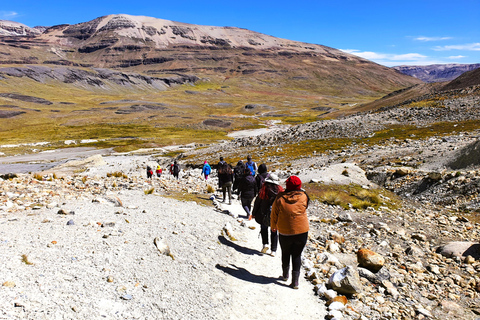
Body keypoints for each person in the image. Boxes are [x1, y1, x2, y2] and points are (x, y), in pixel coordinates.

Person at [271, 175, 309, 289]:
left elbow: (274, 214)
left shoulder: (280, 198)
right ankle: (295, 282)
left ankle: (285, 275)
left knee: (285, 252)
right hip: (302, 231)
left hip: (285, 231)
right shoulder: (304, 196)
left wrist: (273, 226)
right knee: (297, 254)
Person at [252, 173, 283, 257]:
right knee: (274, 231)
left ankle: (265, 244)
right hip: (275, 215)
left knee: (264, 229)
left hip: (263, 214)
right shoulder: (280, 192)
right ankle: (273, 250)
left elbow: (257, 203)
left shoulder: (263, 190)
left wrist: (253, 213)